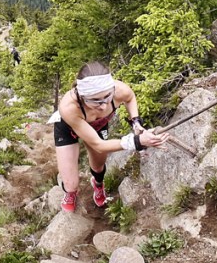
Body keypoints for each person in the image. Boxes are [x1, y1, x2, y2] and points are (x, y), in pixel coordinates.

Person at [50, 61, 169, 212]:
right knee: (71, 184)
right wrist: (137, 141)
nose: (104, 106)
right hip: (68, 129)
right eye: (95, 101)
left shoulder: (120, 90)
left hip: (98, 126)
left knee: (99, 166)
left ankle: (98, 184)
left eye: (107, 97)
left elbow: (130, 98)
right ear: (82, 96)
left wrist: (136, 122)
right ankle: (70, 192)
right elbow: (98, 144)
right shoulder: (69, 107)